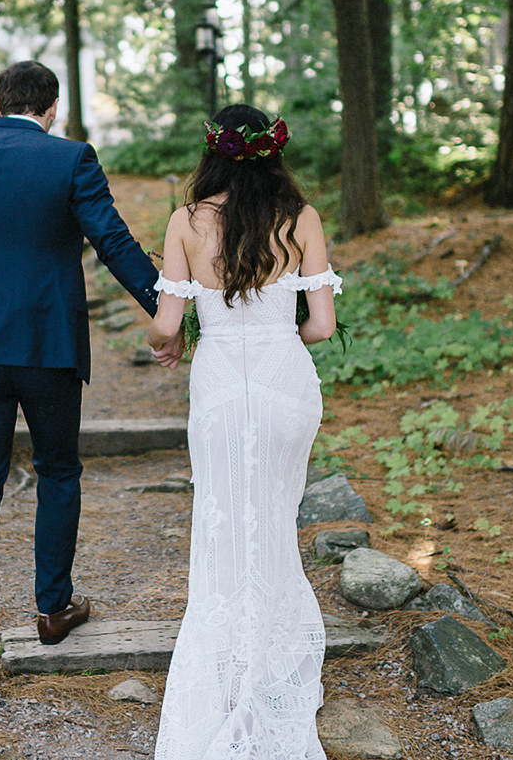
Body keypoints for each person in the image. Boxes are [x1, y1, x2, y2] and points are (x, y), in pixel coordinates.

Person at [0, 60, 175, 693]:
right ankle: (53, 609)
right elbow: (113, 241)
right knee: (58, 470)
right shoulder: (71, 159)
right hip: (48, 344)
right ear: (53, 107)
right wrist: (168, 314)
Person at [145, 104, 340, 760]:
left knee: (224, 516)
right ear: (272, 152)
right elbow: (322, 326)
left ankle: (229, 665)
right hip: (287, 383)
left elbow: (168, 326)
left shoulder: (188, 221)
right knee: (276, 519)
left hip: (223, 384)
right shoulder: (302, 217)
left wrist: (160, 343)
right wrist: (277, 333)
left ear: (215, 154)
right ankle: (276, 656)